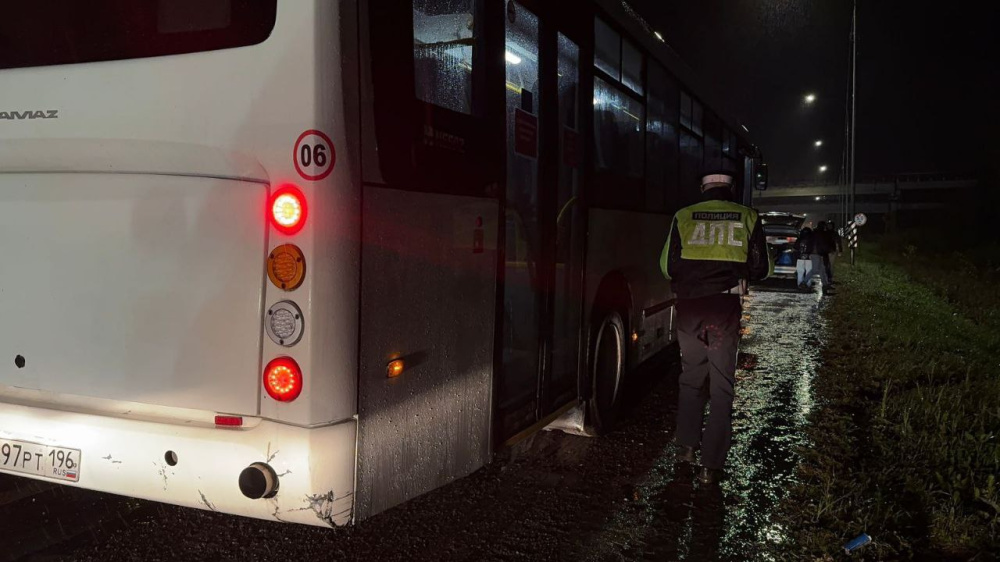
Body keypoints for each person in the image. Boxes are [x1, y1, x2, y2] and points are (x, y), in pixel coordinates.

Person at [659, 173, 772, 485]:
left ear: (703, 191)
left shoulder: (683, 216)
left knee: (691, 379)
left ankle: (685, 450)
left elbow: (667, 266)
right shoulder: (748, 216)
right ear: (730, 191)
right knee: (722, 385)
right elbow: (762, 268)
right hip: (723, 309)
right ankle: (711, 466)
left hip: (690, 309)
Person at [812, 221, 833, 290]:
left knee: (822, 269)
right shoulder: (821, 233)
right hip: (818, 253)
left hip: (818, 253)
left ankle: (825, 284)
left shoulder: (816, 232)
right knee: (815, 269)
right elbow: (822, 244)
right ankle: (804, 282)